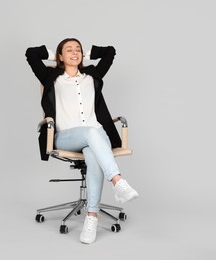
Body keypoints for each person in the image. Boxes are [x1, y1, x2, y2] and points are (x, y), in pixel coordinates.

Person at [25, 38, 139, 244]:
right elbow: (30, 54)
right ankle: (117, 181)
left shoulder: (92, 75)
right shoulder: (50, 76)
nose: (75, 52)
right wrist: (56, 55)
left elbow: (110, 52)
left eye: (77, 49)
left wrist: (83, 55)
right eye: (69, 50)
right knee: (91, 134)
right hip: (65, 137)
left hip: (95, 137)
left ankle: (92, 218)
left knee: (92, 151)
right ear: (61, 56)